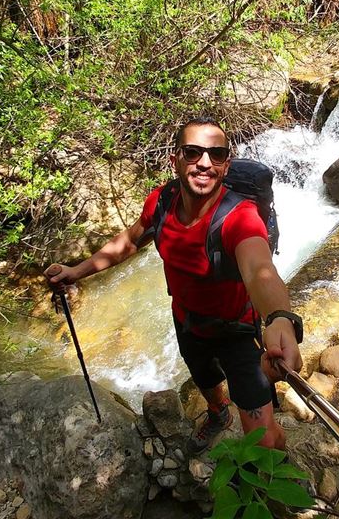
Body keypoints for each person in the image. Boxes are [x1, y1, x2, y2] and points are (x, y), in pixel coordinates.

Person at [45, 117, 302, 452]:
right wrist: (76, 271)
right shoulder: (161, 201)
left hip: (238, 332)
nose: (205, 163)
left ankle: (273, 484)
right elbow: (132, 240)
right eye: (193, 152)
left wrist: (280, 317)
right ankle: (217, 412)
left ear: (226, 165)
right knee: (205, 378)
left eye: (217, 154)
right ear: (175, 159)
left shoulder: (239, 217)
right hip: (187, 321)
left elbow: (258, 269)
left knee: (264, 438)